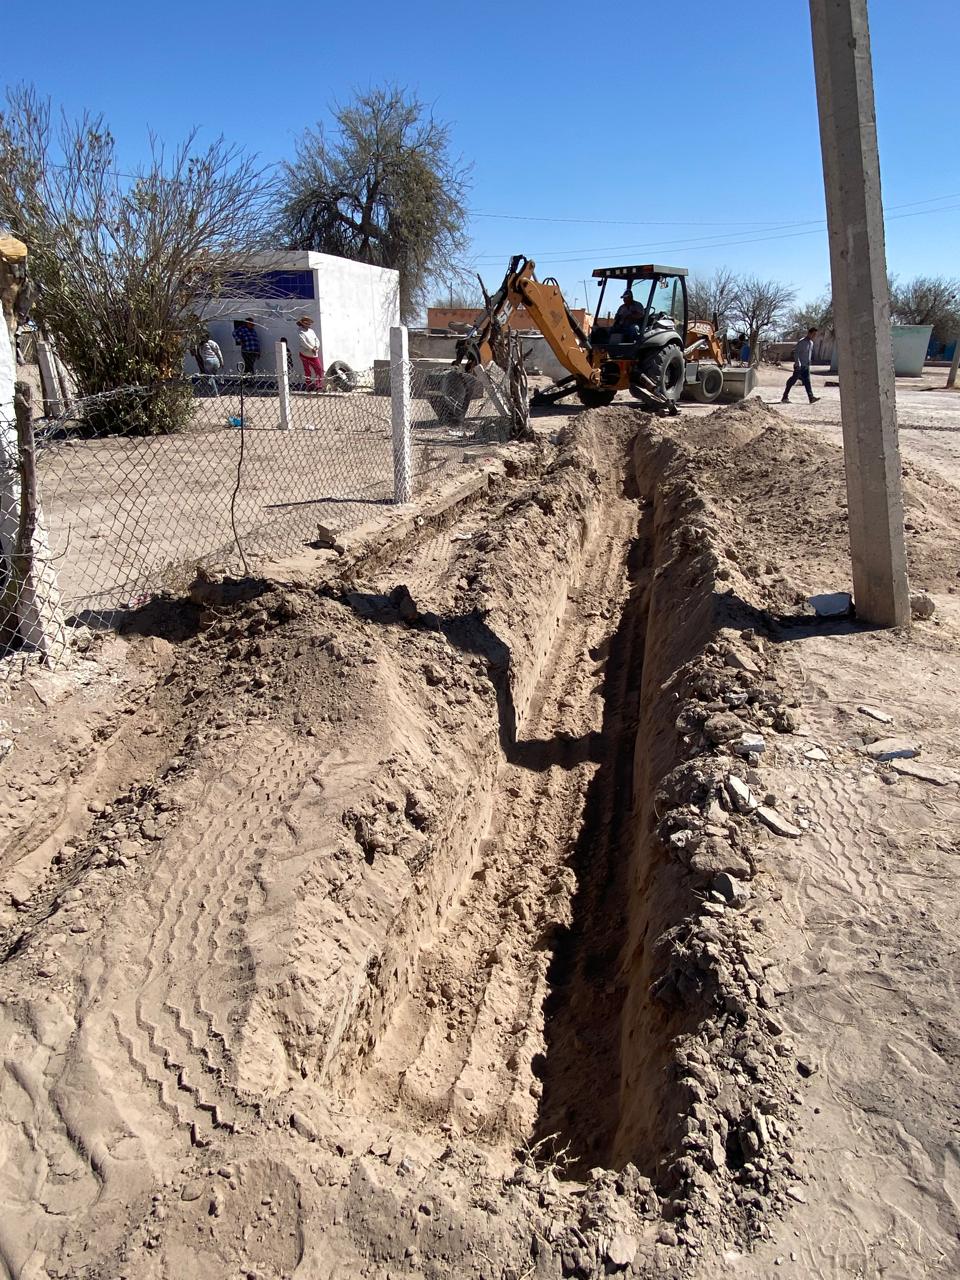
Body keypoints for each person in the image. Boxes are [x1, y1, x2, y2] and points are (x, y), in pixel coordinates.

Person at [782, 327, 821, 404]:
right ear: (809, 333)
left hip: (806, 366)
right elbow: (796, 353)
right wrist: (798, 363)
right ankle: (785, 397)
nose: (814, 336)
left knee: (807, 382)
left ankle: (811, 397)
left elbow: (808, 354)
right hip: (799, 366)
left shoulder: (811, 343)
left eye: (815, 335)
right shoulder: (802, 342)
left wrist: (809, 363)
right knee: (792, 381)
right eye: (813, 334)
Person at [295, 316, 324, 391]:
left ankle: (318, 384)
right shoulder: (300, 331)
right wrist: (311, 348)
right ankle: (309, 384)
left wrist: (316, 347)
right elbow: (303, 342)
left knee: (319, 369)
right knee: (307, 370)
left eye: (309, 323)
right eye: (306, 323)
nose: (308, 324)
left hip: (314, 354)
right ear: (302, 323)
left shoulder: (311, 331)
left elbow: (316, 340)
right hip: (305, 353)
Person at [195, 331, 223, 396]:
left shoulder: (200, 345)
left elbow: (196, 353)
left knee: (210, 377)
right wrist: (221, 361)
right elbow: (218, 352)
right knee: (213, 376)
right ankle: (219, 382)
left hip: (208, 361)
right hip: (216, 360)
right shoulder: (212, 343)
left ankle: (215, 392)